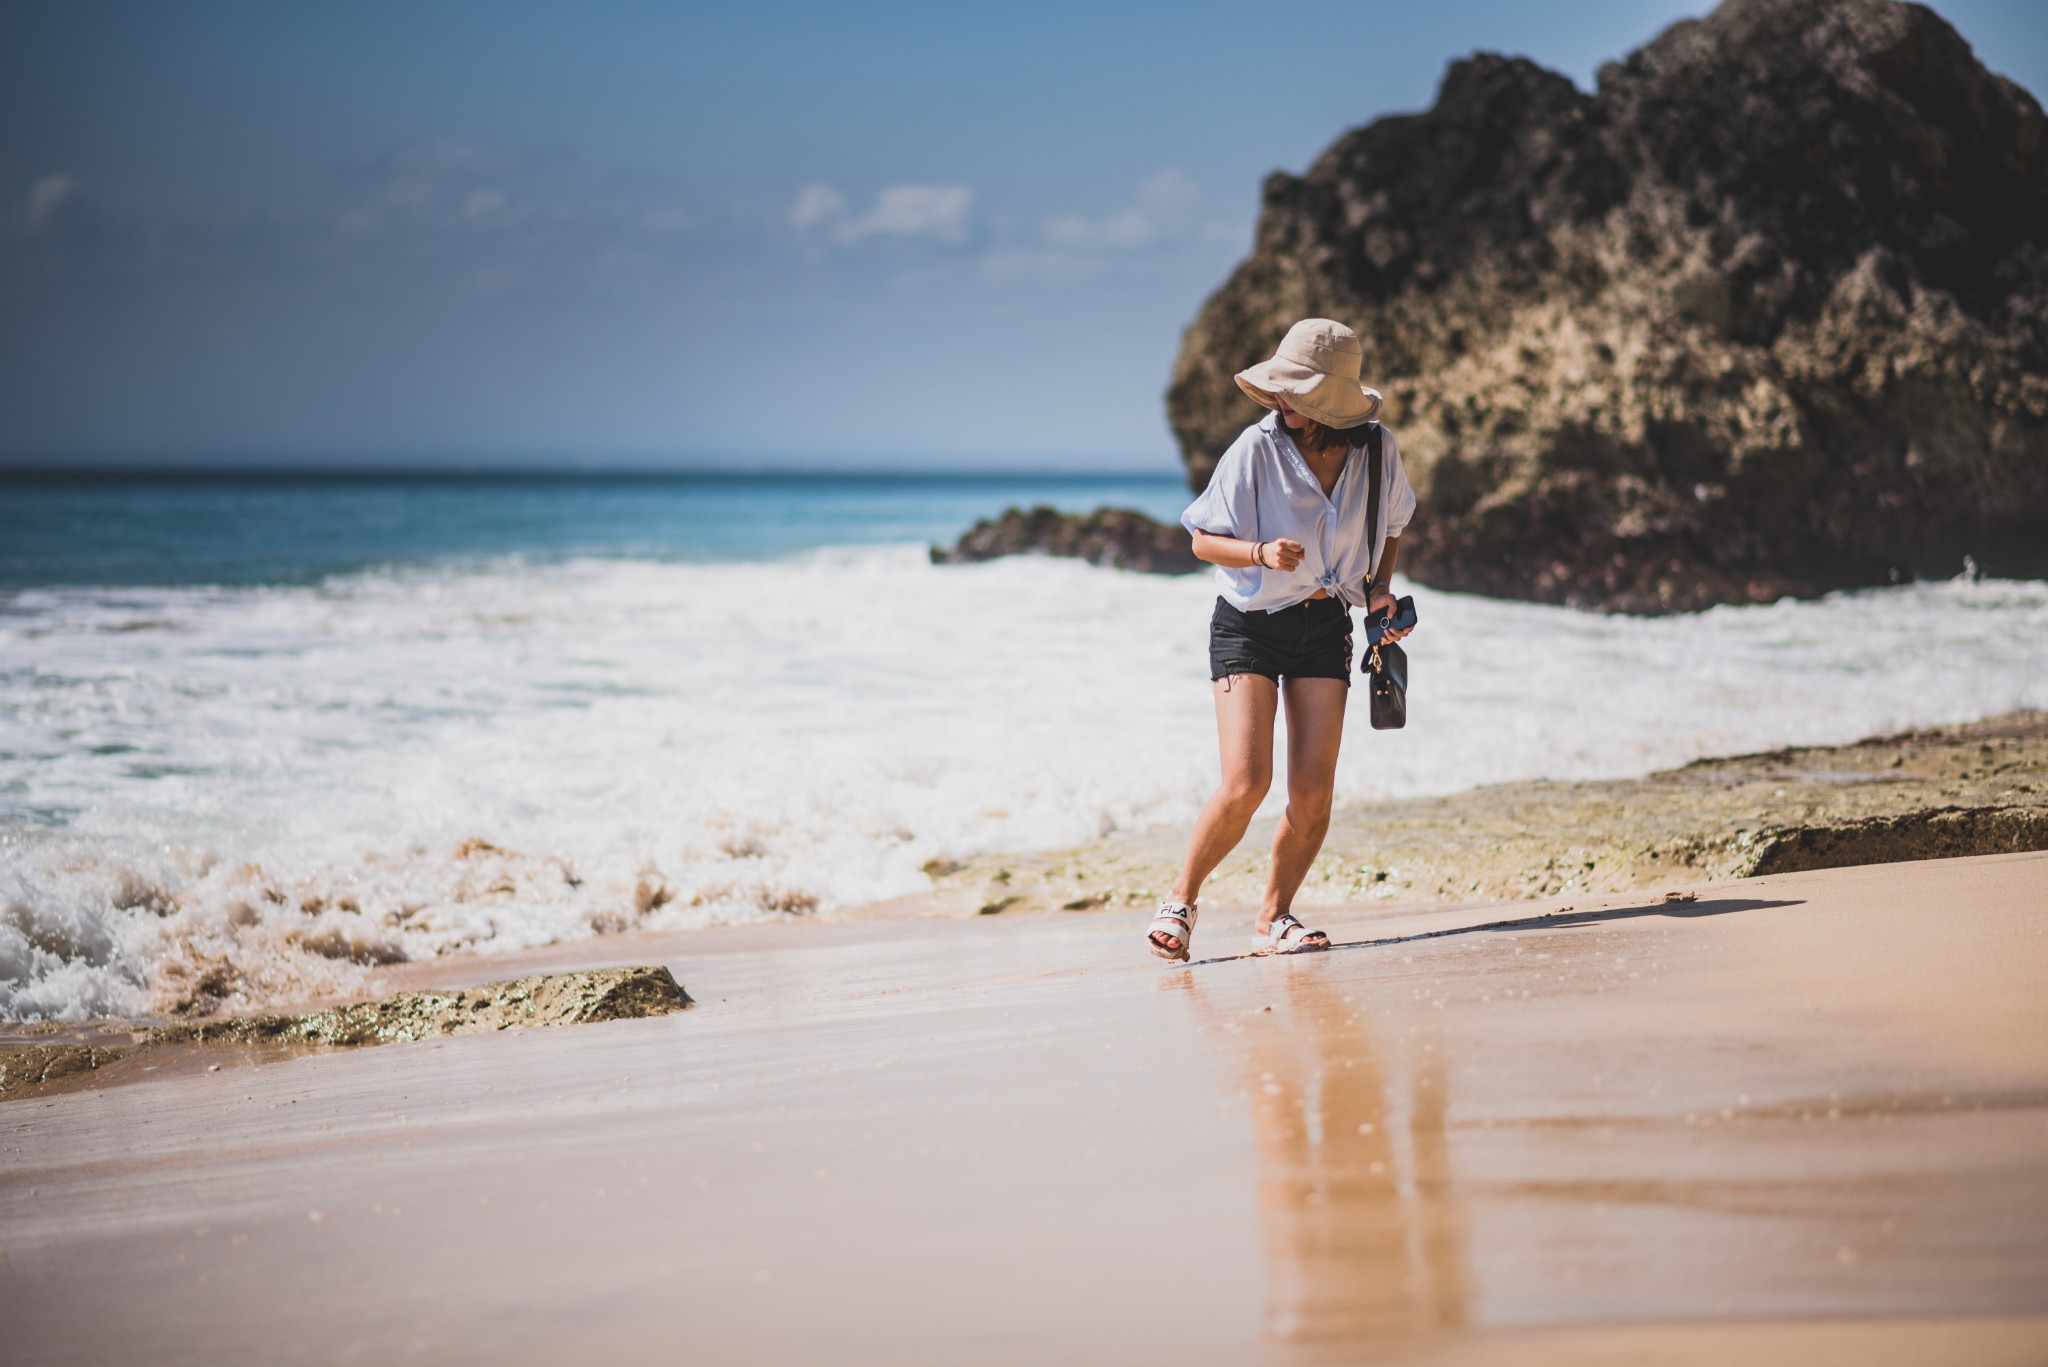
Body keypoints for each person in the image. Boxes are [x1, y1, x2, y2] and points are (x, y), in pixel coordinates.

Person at [1148, 318, 1416, 962]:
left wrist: (1379, 590)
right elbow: (1202, 538)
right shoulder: (1255, 448)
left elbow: (1395, 523)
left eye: (1293, 391)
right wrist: (1260, 551)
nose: (1280, 400)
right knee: (1246, 783)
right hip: (1248, 625)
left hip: (1326, 625)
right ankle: (1180, 902)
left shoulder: (1377, 451)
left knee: (1314, 791)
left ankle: (1275, 917)